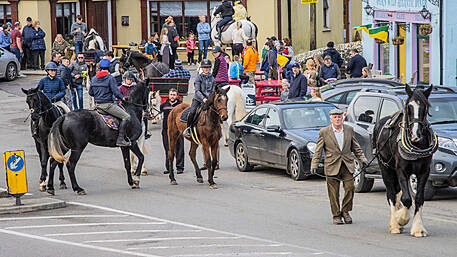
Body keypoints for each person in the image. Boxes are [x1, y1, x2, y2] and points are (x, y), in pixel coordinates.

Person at [310, 108, 368, 225]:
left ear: (343, 118)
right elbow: (318, 150)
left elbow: (355, 147)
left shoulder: (349, 130)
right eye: (335, 117)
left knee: (350, 188)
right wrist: (314, 164)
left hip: (347, 164)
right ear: (331, 119)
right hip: (331, 165)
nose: (337, 119)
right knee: (333, 192)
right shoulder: (324, 132)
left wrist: (363, 159)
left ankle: (345, 211)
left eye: (339, 117)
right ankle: (336, 215)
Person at [89, 59, 130, 147]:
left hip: (97, 105)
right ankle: (120, 139)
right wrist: (122, 98)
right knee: (126, 117)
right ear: (109, 68)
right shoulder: (110, 78)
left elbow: (91, 93)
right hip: (107, 105)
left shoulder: (94, 78)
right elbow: (116, 92)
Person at [183, 59, 216, 137]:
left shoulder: (212, 78)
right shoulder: (199, 77)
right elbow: (197, 91)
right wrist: (203, 98)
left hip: (209, 100)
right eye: (204, 67)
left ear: (210, 68)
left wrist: (210, 99)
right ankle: (188, 128)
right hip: (198, 99)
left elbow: (213, 90)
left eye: (208, 67)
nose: (206, 69)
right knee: (192, 111)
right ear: (202, 68)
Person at [161, 88, 184, 175]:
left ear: (177, 96)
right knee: (168, 149)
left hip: (178, 130)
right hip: (166, 130)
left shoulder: (180, 105)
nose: (172, 96)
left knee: (179, 148)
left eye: (174, 95)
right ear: (168, 95)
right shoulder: (163, 105)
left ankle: (180, 167)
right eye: (171, 94)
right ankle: (169, 167)